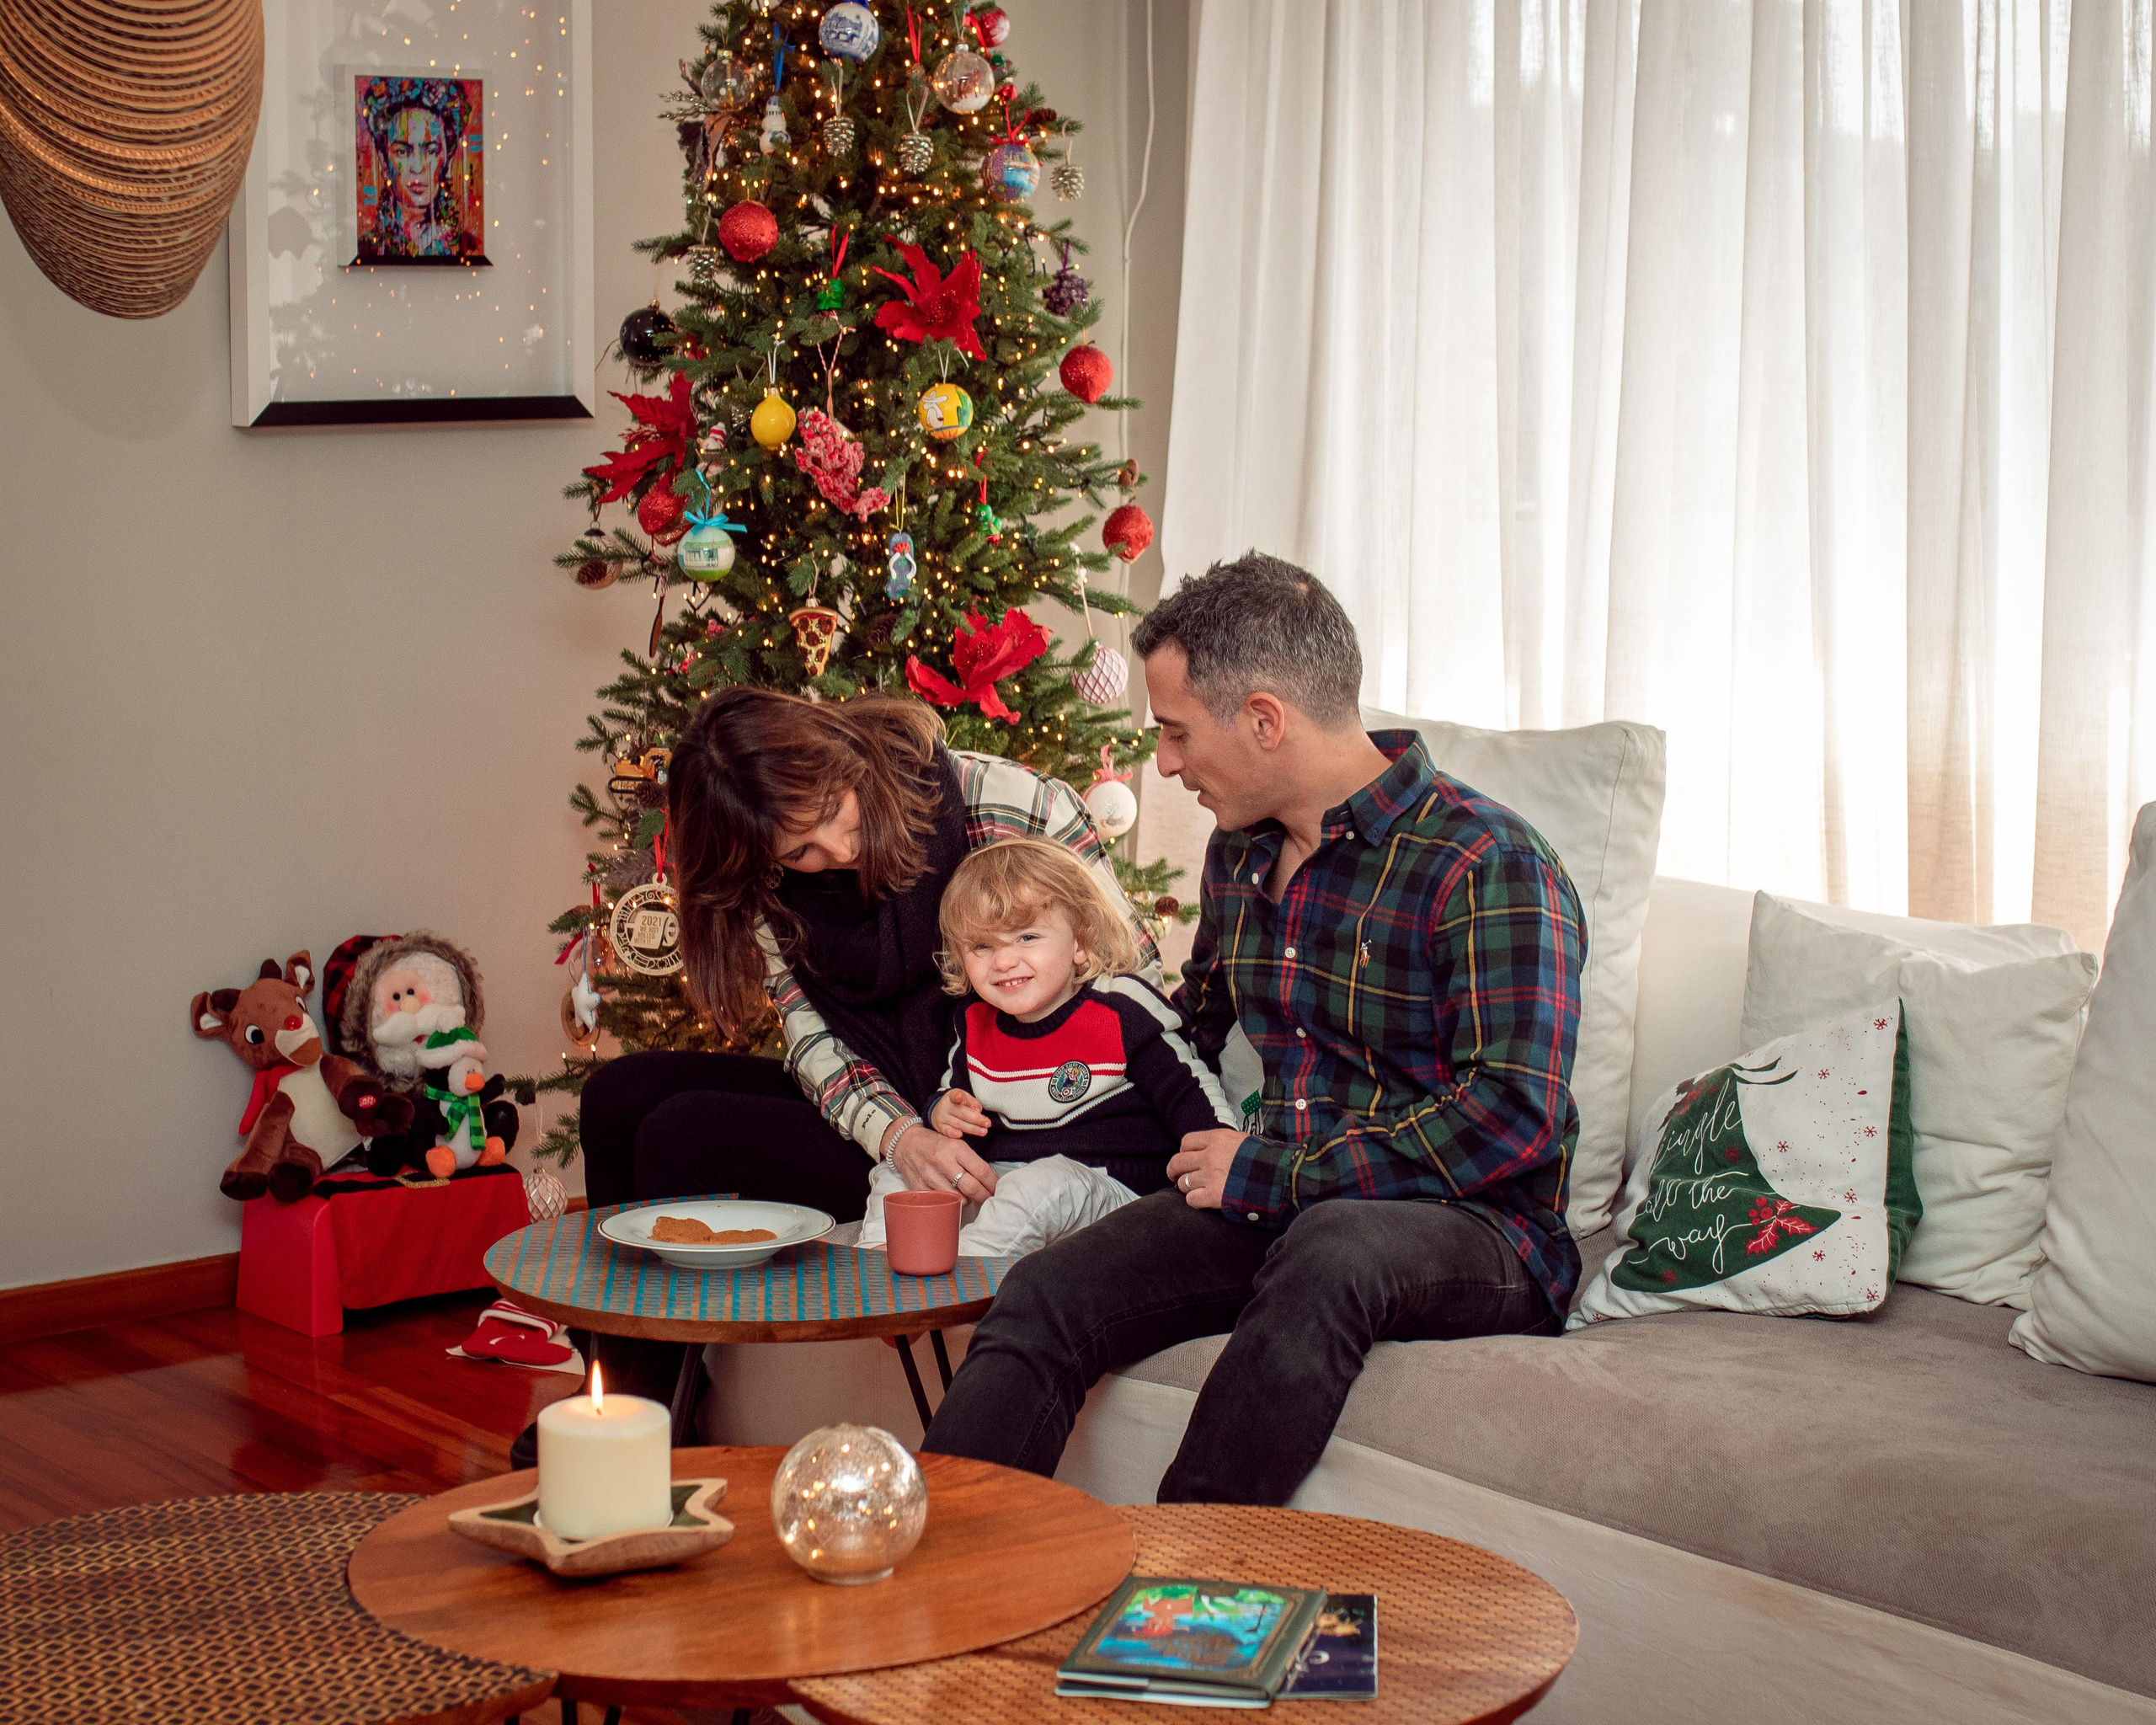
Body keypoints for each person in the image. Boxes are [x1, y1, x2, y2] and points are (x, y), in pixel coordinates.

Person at [924, 552, 1587, 1506]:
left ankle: (1181, 1571)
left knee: (1336, 1245)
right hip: (1281, 1196)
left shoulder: (1488, 862)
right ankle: (945, 1567)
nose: (1165, 762)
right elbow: (1182, 1029)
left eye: (1177, 732)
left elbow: (1510, 1118)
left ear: (1265, 719)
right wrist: (1012, 1097)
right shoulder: (1239, 854)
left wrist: (1273, 1175)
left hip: (1479, 1227)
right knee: (1049, 1290)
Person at [509, 688, 1161, 1463]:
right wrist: (900, 1134)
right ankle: (624, 1394)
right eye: (799, 853)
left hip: (1010, 1121)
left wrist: (976, 1103)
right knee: (621, 1095)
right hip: (898, 1112)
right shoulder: (772, 880)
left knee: (679, 1135)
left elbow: (1129, 970)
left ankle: (637, 1419)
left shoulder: (1006, 802)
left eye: (831, 812)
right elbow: (811, 1037)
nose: (835, 850)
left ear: (835, 749)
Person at [856, 838, 1241, 1259]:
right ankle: (874, 1268)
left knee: (1043, 1185)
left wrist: (1224, 1162)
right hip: (1009, 1188)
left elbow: (1188, 1091)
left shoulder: (1119, 1009)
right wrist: (941, 1111)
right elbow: (956, 1100)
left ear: (1079, 942)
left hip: (1113, 1195)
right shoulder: (975, 1022)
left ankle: (962, 1281)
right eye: (982, 946)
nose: (1003, 962)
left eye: (1026, 937)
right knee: (900, 1171)